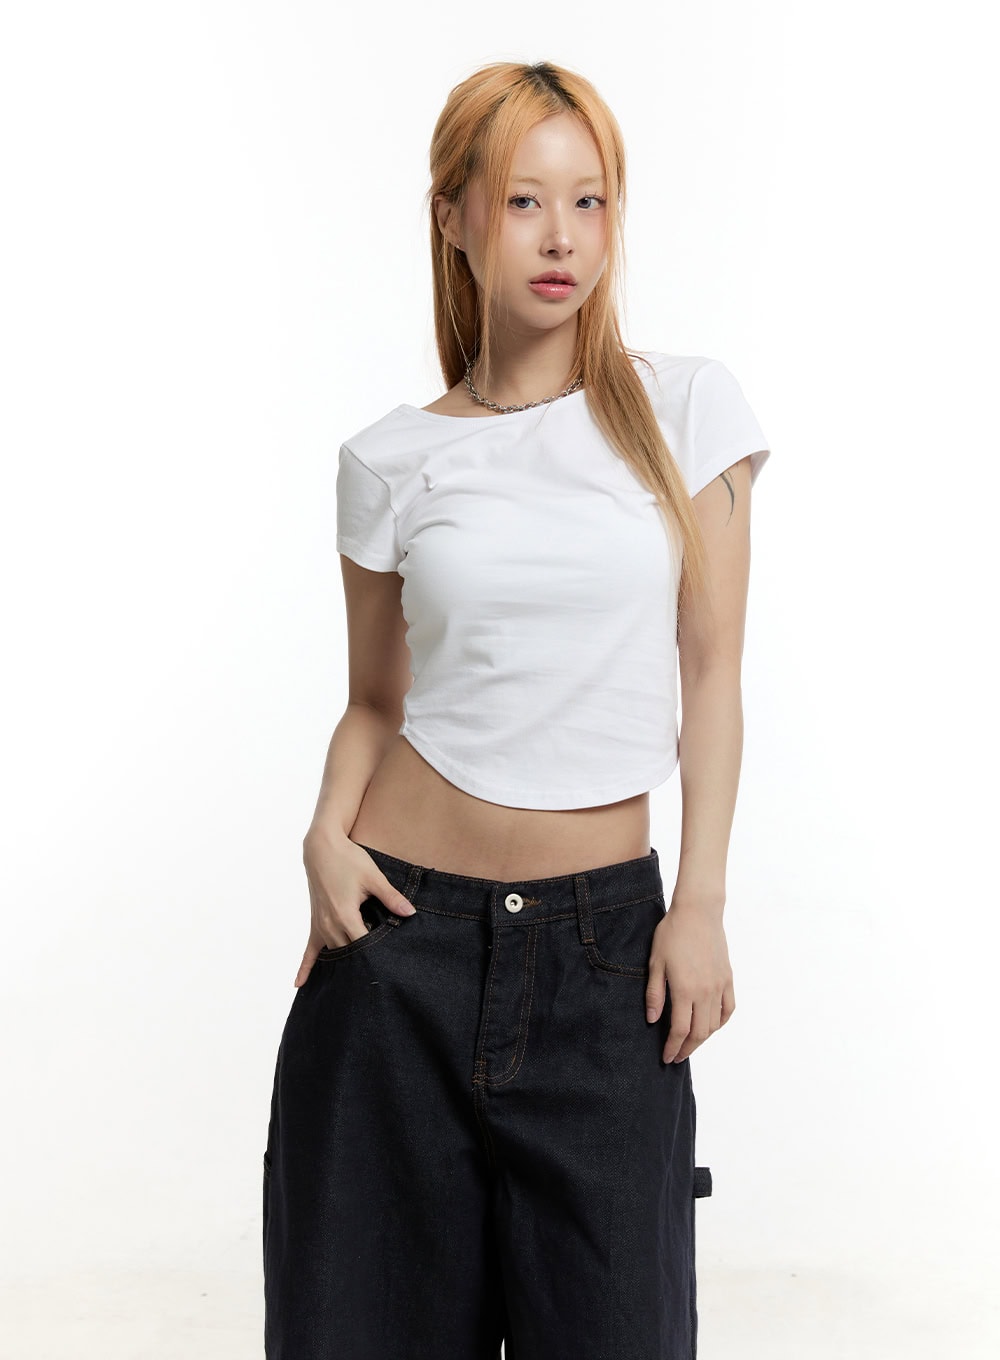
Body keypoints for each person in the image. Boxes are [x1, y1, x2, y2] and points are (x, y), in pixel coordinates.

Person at [262, 58, 771, 1360]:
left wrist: (700, 902)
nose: (562, 238)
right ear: (454, 216)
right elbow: (374, 702)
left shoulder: (685, 410)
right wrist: (323, 833)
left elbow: (713, 676)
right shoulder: (391, 459)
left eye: (589, 201)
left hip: (608, 963)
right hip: (397, 955)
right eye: (525, 199)